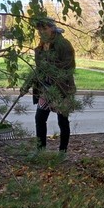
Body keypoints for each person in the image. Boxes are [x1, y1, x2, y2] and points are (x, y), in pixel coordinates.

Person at [22, 18, 76, 154]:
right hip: (44, 89)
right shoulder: (40, 47)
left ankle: (62, 152)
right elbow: (38, 70)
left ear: (52, 28)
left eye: (44, 28)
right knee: (39, 118)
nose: (41, 32)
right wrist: (26, 85)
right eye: (39, 29)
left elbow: (69, 66)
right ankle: (40, 151)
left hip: (61, 88)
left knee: (62, 120)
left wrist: (50, 65)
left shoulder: (64, 44)